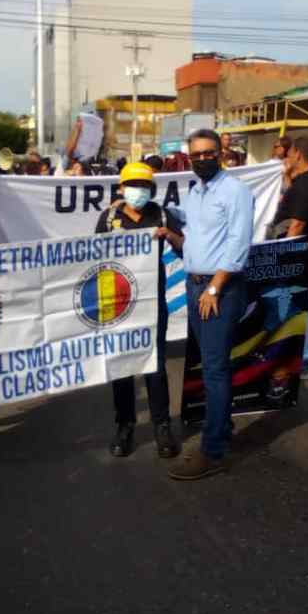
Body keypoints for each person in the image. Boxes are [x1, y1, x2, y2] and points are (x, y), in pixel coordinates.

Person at [168, 129, 254, 480]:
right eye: (196, 154)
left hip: (220, 290)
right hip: (195, 286)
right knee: (210, 365)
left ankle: (212, 450)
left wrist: (215, 288)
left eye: (208, 153)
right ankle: (222, 427)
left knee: (215, 370)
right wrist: (168, 234)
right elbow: (191, 237)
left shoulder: (235, 192)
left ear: (221, 152)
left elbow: (238, 244)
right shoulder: (195, 193)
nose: (202, 158)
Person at [95, 162, 182, 459]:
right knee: (122, 367)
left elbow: (185, 246)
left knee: (155, 366)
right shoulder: (108, 219)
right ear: (121, 188)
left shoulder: (160, 214)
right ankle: (125, 426)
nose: (138, 192)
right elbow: (92, 257)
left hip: (152, 303)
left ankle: (161, 425)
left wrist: (169, 235)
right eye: (132, 185)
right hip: (118, 305)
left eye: (144, 186)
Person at [271, 137, 308, 378]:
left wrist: (283, 254)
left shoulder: (307, 184)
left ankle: (303, 360)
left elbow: (297, 223)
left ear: (297, 154)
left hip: (299, 248)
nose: (286, 157)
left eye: (289, 153)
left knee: (297, 304)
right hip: (307, 246)